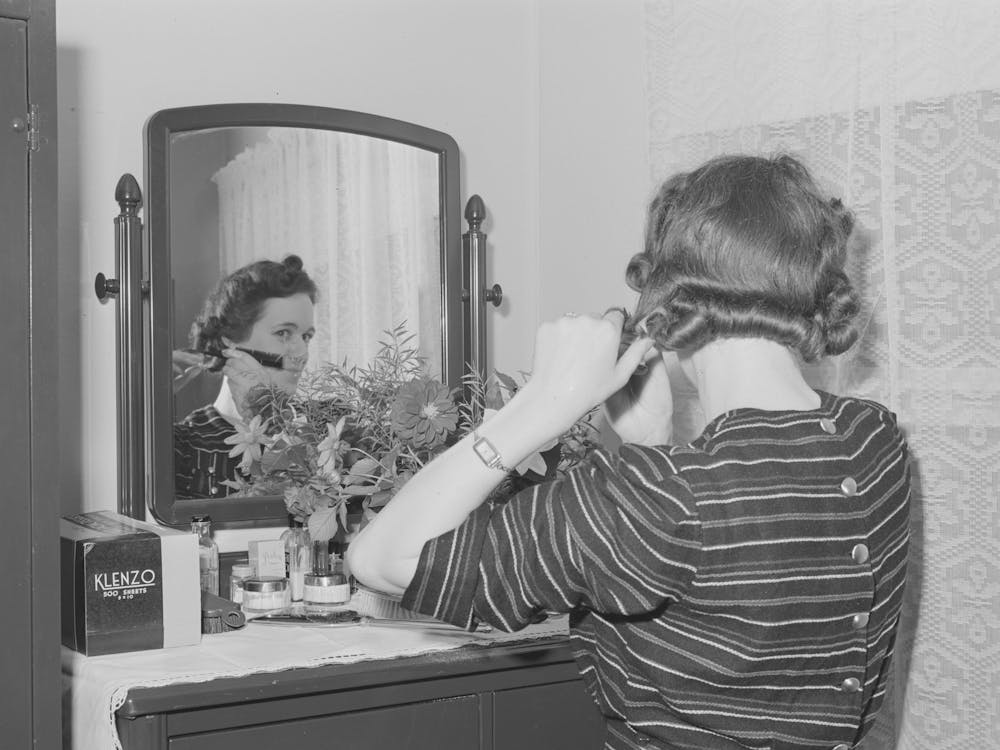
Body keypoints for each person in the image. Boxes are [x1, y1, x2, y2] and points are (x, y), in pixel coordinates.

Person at [347, 154, 911, 750]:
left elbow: (380, 559)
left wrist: (541, 405)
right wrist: (652, 441)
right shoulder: (874, 439)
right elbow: (717, 596)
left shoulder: (660, 499)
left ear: (666, 297)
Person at [173, 254, 317, 499]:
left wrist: (271, 422)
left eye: (306, 336)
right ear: (230, 342)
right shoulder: (183, 445)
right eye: (283, 333)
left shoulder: (321, 429)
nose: (303, 353)